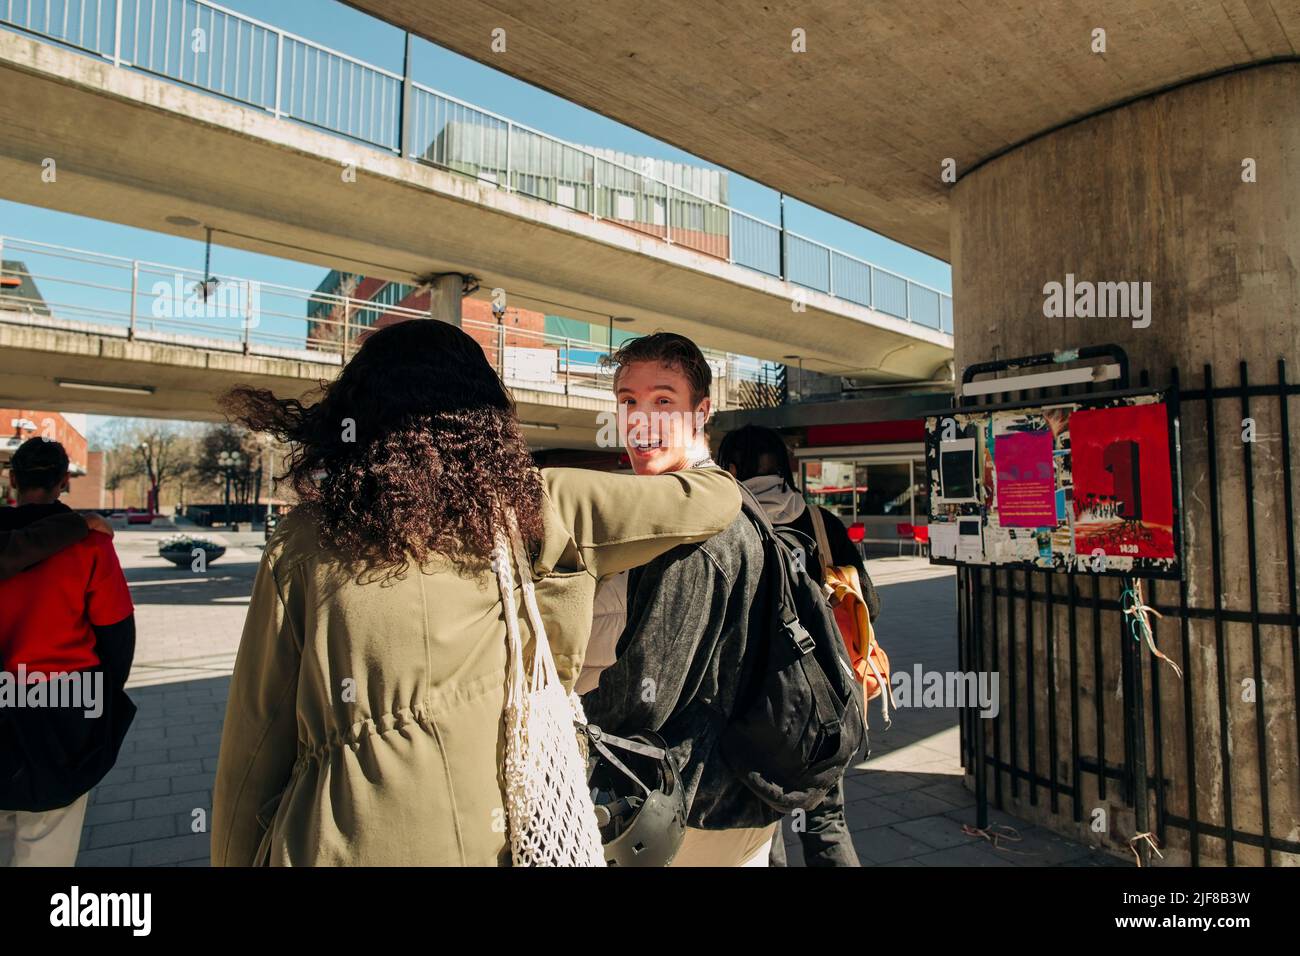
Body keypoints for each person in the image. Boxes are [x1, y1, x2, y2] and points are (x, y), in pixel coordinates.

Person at [210, 319, 741, 866]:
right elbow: (712, 497)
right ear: (489, 419)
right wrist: (689, 422)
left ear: (355, 411)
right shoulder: (540, 506)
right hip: (486, 839)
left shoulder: (303, 540)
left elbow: (252, 751)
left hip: (327, 841)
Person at [580, 332, 782, 867]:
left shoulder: (695, 528)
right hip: (732, 798)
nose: (641, 420)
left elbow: (643, 698)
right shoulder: (717, 500)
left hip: (697, 812)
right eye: (628, 401)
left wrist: (561, 732)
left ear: (702, 412)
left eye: (664, 401)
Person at [717, 423, 880, 868]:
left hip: (755, 706)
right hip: (826, 700)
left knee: (762, 829)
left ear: (730, 468)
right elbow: (870, 604)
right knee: (827, 824)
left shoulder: (727, 524)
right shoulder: (822, 523)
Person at [0, 439, 136, 867]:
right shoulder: (91, 544)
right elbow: (116, 638)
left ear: (13, 479)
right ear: (64, 482)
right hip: (62, 710)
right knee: (47, 846)